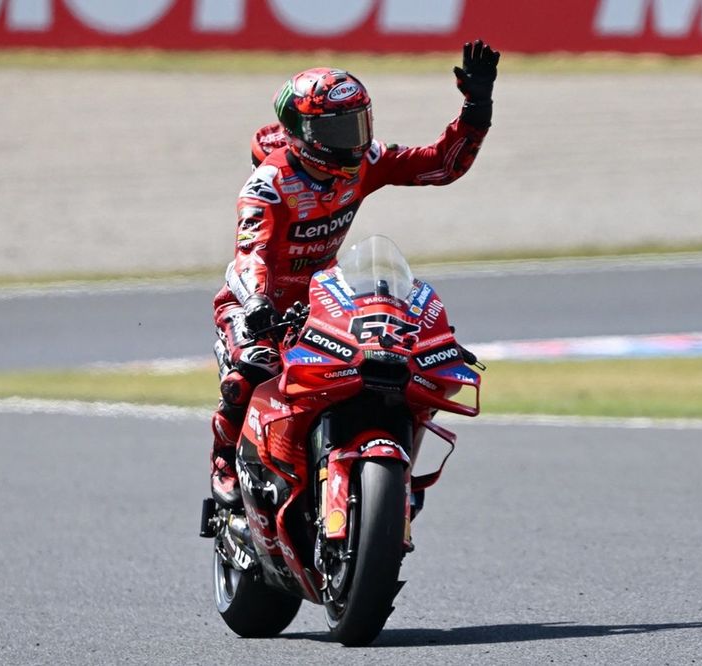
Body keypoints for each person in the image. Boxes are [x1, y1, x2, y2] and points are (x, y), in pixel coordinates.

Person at [209, 40, 501, 507]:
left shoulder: (364, 163)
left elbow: (442, 165)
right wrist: (259, 302)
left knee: (380, 362)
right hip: (254, 305)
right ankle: (224, 458)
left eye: (359, 123)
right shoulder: (269, 184)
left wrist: (477, 106)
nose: (355, 138)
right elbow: (251, 253)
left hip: (323, 301)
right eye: (342, 128)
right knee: (254, 368)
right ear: (303, 133)